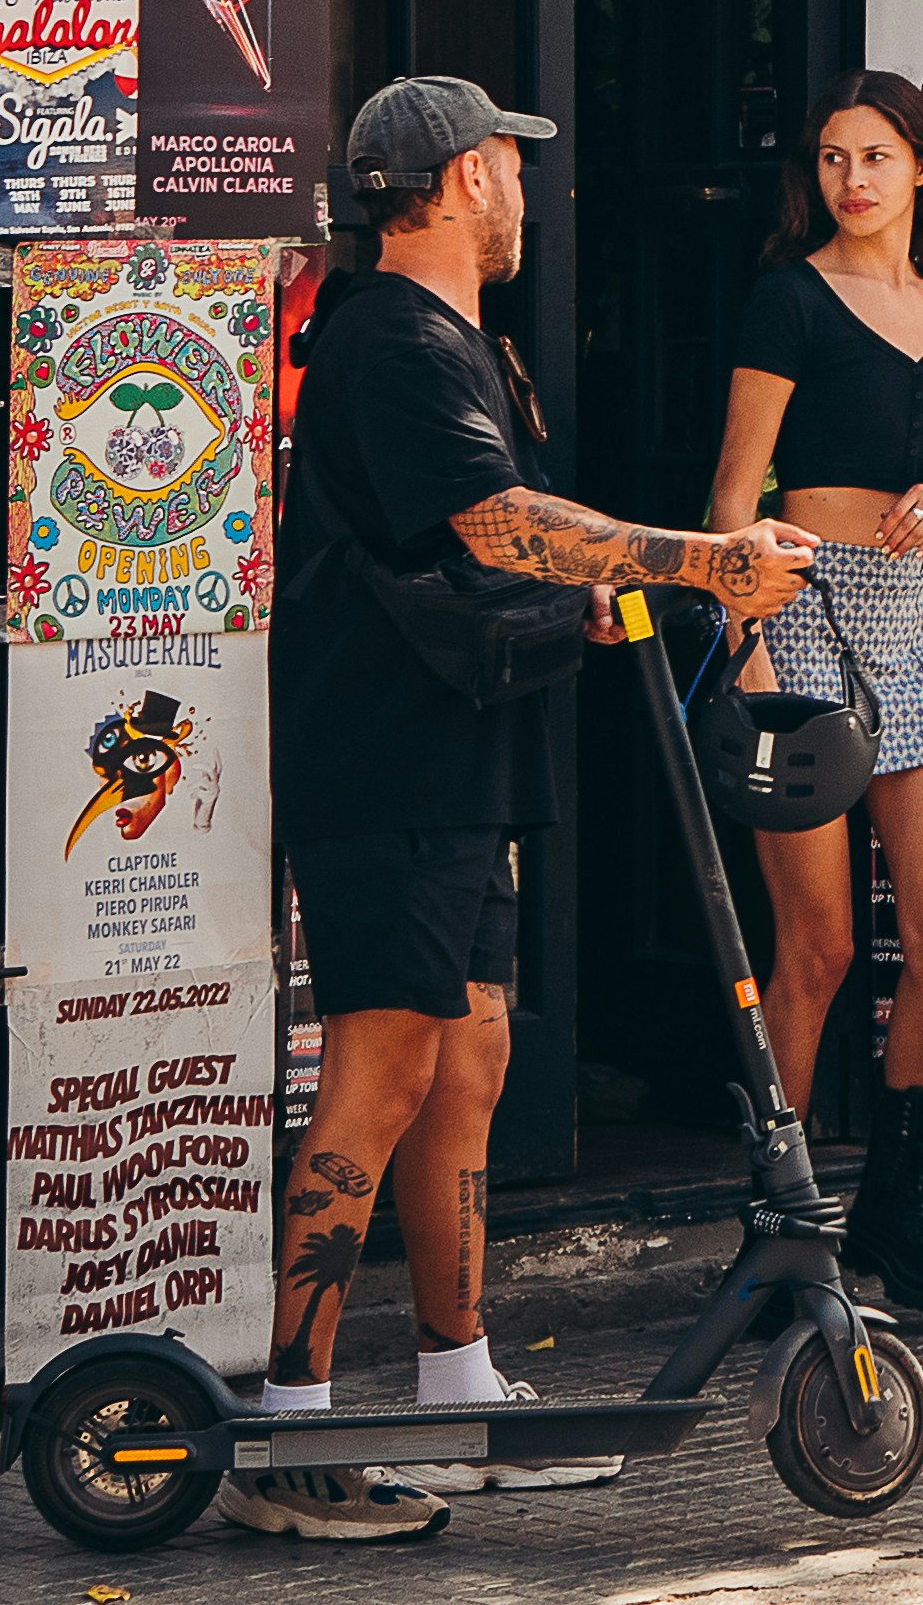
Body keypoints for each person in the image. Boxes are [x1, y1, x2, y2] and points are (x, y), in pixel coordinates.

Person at [233, 78, 817, 1546]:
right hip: (388, 764)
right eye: (507, 165)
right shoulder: (387, 339)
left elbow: (499, 553)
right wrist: (700, 561)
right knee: (381, 1066)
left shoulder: (456, 342)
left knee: (473, 1053)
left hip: (461, 749)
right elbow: (496, 526)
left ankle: (460, 1382)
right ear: (448, 183)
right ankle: (290, 1435)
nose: (528, 192)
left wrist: (633, 599)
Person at [707, 72, 923, 1315]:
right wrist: (753, 647)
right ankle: (779, 1224)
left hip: (908, 618)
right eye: (834, 158)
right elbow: (733, 499)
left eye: (876, 156)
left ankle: (898, 1201)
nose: (852, 179)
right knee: (823, 944)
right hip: (795, 601)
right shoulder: (786, 300)